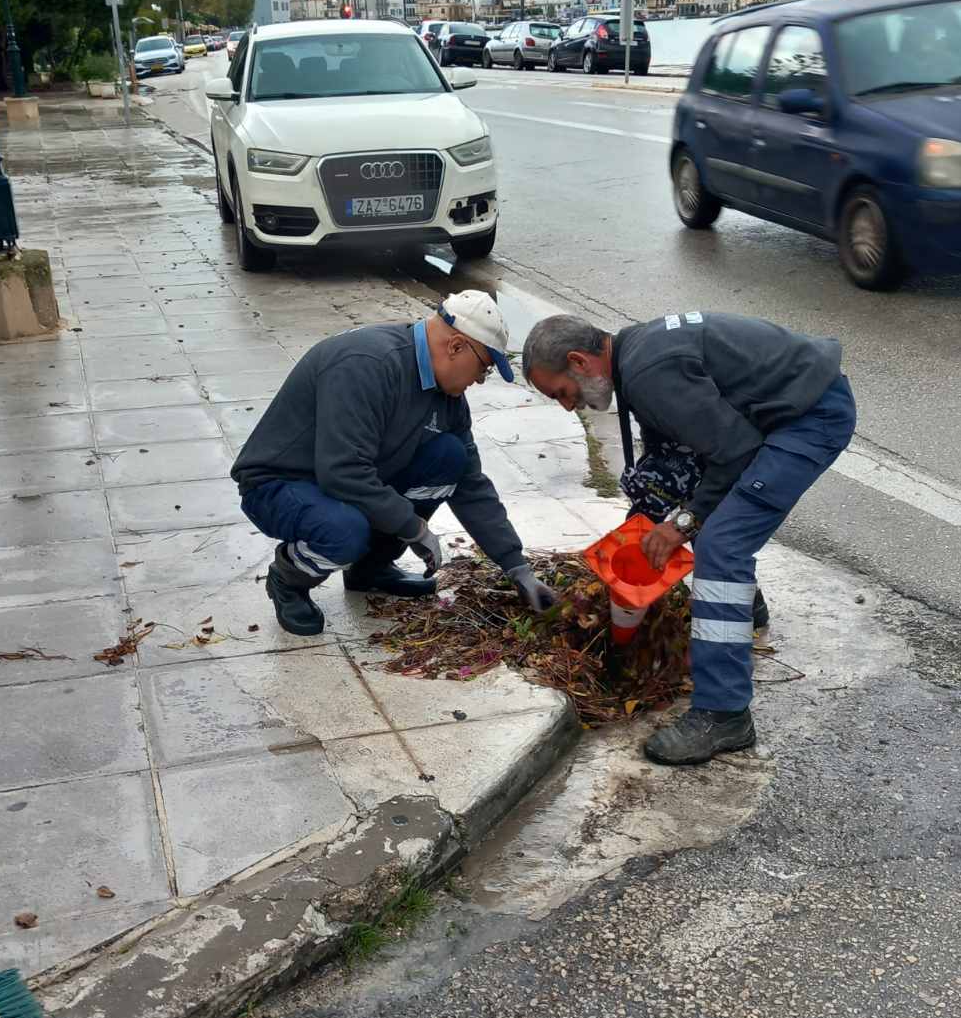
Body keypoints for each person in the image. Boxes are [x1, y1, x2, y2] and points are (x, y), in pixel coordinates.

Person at [521, 310, 856, 766]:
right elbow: (679, 457)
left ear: (579, 362)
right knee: (696, 512)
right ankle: (744, 607)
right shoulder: (633, 355)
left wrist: (685, 521)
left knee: (720, 545)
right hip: (778, 411)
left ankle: (724, 713)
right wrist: (652, 519)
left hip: (808, 418)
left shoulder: (648, 374)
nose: (567, 405)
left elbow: (736, 451)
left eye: (560, 392)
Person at [232, 292, 557, 636]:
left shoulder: (449, 399)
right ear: (456, 346)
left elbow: (470, 483)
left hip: (346, 478)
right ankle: (288, 579)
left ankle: (370, 569)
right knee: (346, 530)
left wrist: (517, 567)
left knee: (450, 456)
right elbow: (343, 472)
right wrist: (413, 527)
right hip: (279, 483)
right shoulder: (366, 364)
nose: (479, 380)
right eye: (484, 367)